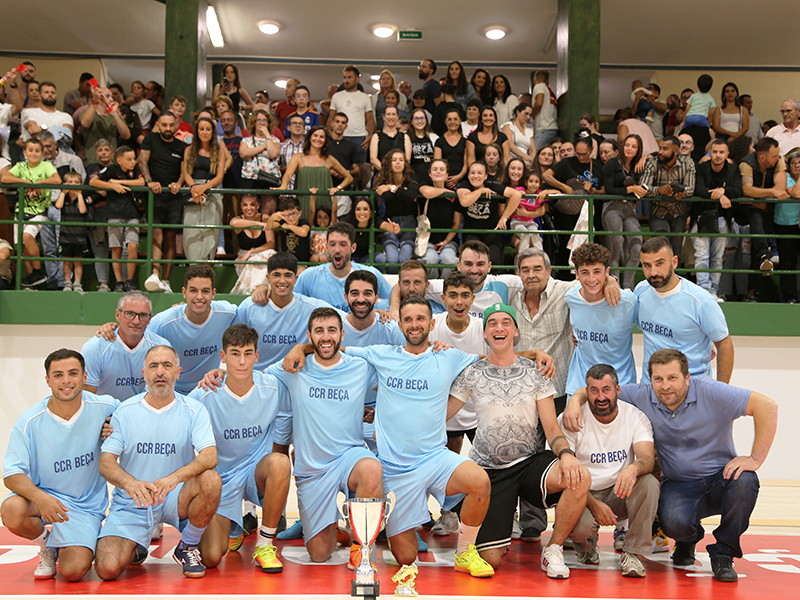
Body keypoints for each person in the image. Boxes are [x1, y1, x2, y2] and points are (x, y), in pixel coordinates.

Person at [284, 296, 496, 581]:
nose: (415, 324)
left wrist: (535, 355)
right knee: (405, 557)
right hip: (395, 470)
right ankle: (338, 528)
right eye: (408, 319)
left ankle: (464, 552)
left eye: (421, 319)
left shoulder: (450, 356)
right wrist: (301, 346)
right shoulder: (381, 355)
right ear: (400, 324)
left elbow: (493, 360)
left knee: (480, 481)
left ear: (432, 324)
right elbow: (331, 348)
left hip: (435, 458)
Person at [563, 348, 778, 583]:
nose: (665, 386)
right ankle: (688, 539)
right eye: (658, 379)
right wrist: (574, 399)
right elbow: (601, 391)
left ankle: (724, 554)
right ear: (650, 380)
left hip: (720, 477)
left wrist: (755, 458)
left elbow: (767, 406)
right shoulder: (643, 395)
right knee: (674, 524)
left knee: (745, 481)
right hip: (679, 483)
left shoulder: (711, 391)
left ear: (687, 377)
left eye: (672, 378)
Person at [448, 303, 590, 577]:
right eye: (492, 324)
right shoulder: (471, 373)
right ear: (486, 333)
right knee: (491, 560)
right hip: (489, 472)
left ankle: (554, 549)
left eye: (505, 323)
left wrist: (566, 455)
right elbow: (440, 416)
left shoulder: (536, 372)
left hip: (529, 463)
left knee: (579, 476)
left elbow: (551, 428)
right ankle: (491, 537)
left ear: (515, 330)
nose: (499, 328)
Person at [95, 345, 221, 580]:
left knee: (213, 555)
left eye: (167, 365)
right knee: (107, 569)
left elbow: (209, 456)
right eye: (153, 366)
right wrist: (131, 484)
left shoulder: (194, 410)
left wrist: (174, 479)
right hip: (135, 500)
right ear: (144, 373)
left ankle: (187, 546)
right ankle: (138, 542)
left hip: (175, 495)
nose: (160, 372)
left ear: (178, 372)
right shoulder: (125, 411)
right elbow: (106, 462)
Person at [269, 308, 383, 566]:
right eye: (319, 331)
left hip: (349, 456)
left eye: (332, 330)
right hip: (313, 467)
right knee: (319, 554)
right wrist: (216, 375)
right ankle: (332, 528)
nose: (326, 337)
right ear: (309, 336)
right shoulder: (294, 366)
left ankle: (360, 547)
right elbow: (250, 379)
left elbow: (394, 384)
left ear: (342, 334)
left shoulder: (360, 367)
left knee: (372, 470)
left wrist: (379, 412)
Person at [1, 349, 119, 582]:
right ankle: (48, 546)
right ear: (48, 381)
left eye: (73, 373)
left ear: (85, 377)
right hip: (44, 498)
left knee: (74, 572)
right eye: (58, 375)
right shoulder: (30, 421)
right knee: (12, 510)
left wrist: (116, 428)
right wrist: (41, 498)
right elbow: (11, 474)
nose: (66, 381)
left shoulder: (106, 407)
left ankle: (83, 538)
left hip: (84, 506)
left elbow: (138, 413)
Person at [188, 324, 290, 572]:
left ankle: (265, 544)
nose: (241, 361)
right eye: (234, 353)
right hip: (222, 480)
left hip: (256, 473)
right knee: (211, 557)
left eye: (247, 353)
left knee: (280, 462)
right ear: (223, 357)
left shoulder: (274, 387)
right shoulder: (203, 394)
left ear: (256, 355)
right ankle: (234, 525)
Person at [560, 364, 659, 577]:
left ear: (617, 390)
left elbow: (647, 458)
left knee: (649, 482)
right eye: (594, 390)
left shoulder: (635, 416)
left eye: (606, 389)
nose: (600, 397)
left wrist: (633, 468)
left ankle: (633, 553)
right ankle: (585, 548)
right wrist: (595, 505)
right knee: (580, 529)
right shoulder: (570, 419)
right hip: (583, 494)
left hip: (619, 492)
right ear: (586, 392)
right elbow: (563, 475)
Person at [635, 236, 733, 383]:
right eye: (647, 265)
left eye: (660, 263)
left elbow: (724, 344)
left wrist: (720, 392)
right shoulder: (641, 291)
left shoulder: (701, 300)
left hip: (692, 390)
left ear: (674, 262)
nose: (653, 272)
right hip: (650, 390)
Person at [234, 252, 339, 370]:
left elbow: (348, 321)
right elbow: (235, 346)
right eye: (276, 275)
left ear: (296, 279)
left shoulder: (312, 308)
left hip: (295, 376)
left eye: (288, 275)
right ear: (268, 278)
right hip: (258, 377)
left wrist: (303, 348)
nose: (282, 281)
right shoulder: (249, 308)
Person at [565, 243, 637, 398]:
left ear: (607, 272)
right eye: (585, 272)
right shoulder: (571, 297)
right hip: (580, 385)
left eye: (597, 271)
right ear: (576, 274)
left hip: (620, 384)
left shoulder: (628, 302)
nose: (591, 279)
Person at [81, 291, 172, 399]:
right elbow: (88, 398)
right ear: (118, 315)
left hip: (143, 412)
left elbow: (163, 393)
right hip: (107, 413)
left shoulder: (162, 347)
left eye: (143, 315)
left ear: (150, 319)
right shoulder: (95, 348)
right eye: (129, 314)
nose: (136, 321)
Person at [286, 221, 391, 311]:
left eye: (343, 244)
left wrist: (389, 309)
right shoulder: (310, 276)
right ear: (326, 246)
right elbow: (287, 299)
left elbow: (395, 294)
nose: (337, 250)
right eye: (332, 244)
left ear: (353, 248)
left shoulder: (370, 274)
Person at [0, 138, 60, 288]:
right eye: (30, 150)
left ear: (42, 153)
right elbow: (5, 178)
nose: (34, 153)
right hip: (21, 212)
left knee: (27, 236)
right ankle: (33, 280)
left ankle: (39, 271)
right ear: (24, 152)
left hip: (39, 211)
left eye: (37, 151)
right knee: (21, 246)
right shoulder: (21, 166)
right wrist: (26, 184)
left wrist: (38, 184)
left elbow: (57, 179)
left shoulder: (46, 166)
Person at [140, 111, 186, 294]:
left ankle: (165, 281)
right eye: (164, 125)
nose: (168, 129)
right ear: (158, 124)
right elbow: (142, 160)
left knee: (170, 239)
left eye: (171, 125)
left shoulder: (182, 146)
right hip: (154, 196)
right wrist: (149, 181)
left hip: (174, 198)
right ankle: (155, 276)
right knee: (156, 236)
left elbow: (184, 171)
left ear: (176, 125)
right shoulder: (150, 138)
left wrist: (179, 184)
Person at [737, 137, 788, 301]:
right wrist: (770, 193)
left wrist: (759, 196)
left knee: (758, 232)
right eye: (774, 156)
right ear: (762, 157)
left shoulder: (778, 162)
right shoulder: (746, 164)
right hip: (746, 212)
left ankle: (762, 259)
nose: (777, 158)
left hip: (769, 212)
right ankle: (763, 258)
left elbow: (781, 188)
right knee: (755, 215)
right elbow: (746, 190)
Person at [692, 138, 742, 300]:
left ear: (727, 154)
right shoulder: (701, 168)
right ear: (710, 153)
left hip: (722, 218)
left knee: (718, 257)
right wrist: (720, 196)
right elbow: (698, 190)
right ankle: (703, 291)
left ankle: (713, 291)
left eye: (721, 152)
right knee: (702, 255)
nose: (718, 155)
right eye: (715, 152)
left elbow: (738, 190)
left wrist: (722, 191)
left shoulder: (733, 169)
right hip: (701, 217)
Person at [90, 146, 144, 291]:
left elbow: (142, 182)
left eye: (134, 158)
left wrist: (121, 183)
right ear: (119, 160)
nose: (133, 162)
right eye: (129, 159)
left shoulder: (135, 170)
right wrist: (111, 186)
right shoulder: (111, 170)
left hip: (132, 213)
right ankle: (119, 282)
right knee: (116, 248)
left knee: (132, 245)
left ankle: (130, 281)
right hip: (114, 214)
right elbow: (93, 182)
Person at [640, 136, 696, 260]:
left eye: (665, 149)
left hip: (679, 212)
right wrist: (658, 190)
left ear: (676, 150)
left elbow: (690, 188)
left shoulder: (688, 163)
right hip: (658, 212)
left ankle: (675, 278)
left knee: (676, 252)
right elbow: (643, 188)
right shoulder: (652, 163)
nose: (660, 152)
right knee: (661, 247)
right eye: (660, 148)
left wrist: (683, 193)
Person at [281, 124, 352, 223]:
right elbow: (288, 174)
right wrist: (283, 185)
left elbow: (349, 177)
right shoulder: (298, 157)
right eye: (315, 135)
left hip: (324, 202)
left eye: (322, 137)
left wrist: (338, 188)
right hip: (303, 201)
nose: (318, 139)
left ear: (325, 141)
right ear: (309, 138)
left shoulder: (329, 159)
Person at [602, 133, 646, 289]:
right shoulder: (613, 163)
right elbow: (609, 189)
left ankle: (628, 287)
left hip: (629, 208)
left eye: (634, 146)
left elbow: (657, 156)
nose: (629, 149)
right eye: (627, 145)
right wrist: (631, 188)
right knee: (616, 247)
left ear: (638, 150)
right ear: (622, 147)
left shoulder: (638, 166)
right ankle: (615, 285)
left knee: (636, 246)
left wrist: (645, 157)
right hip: (612, 206)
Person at [457, 161, 522, 267]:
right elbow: (464, 201)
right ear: (468, 175)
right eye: (472, 173)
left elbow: (516, 195)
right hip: (471, 231)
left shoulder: (492, 185)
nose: (476, 176)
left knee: (494, 261)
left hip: (492, 230)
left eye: (479, 173)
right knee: (472, 260)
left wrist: (504, 217)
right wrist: (481, 191)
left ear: (486, 176)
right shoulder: (464, 185)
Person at [182, 116, 226, 261]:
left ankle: (207, 272)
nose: (205, 132)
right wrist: (194, 188)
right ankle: (193, 270)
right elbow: (186, 173)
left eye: (208, 129)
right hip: (193, 193)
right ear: (197, 131)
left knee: (210, 234)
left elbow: (219, 177)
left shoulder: (219, 152)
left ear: (213, 132)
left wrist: (203, 188)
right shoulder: (189, 150)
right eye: (202, 129)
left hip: (212, 193)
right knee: (191, 233)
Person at [374, 149, 419, 273]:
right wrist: (401, 191)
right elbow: (389, 197)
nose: (398, 163)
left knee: (404, 260)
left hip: (409, 221)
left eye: (401, 160)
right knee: (392, 260)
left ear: (405, 163)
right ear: (389, 163)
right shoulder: (382, 181)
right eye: (394, 160)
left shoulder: (411, 178)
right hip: (389, 222)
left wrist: (391, 188)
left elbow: (410, 195)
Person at [418, 158, 462, 278]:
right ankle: (432, 289)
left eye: (442, 170)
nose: (438, 172)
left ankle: (445, 288)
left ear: (447, 174)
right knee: (431, 260)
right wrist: (443, 191)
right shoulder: (423, 187)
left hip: (449, 240)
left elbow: (456, 224)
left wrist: (446, 242)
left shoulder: (454, 195)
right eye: (435, 169)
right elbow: (427, 192)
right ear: (430, 174)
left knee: (448, 260)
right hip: (426, 240)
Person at [229, 194, 277, 294]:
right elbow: (233, 223)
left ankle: (256, 291)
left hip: (262, 254)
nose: (249, 208)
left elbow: (271, 243)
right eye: (245, 205)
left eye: (252, 204)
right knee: (249, 263)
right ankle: (251, 292)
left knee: (271, 254)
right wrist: (258, 224)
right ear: (241, 207)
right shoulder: (238, 219)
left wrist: (252, 251)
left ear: (258, 206)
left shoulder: (264, 218)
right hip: (244, 256)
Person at [327, 65, 375, 164]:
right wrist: (328, 133)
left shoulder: (365, 97)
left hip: (360, 138)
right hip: (340, 136)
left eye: (350, 77)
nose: (346, 80)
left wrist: (370, 135)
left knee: (359, 171)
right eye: (345, 77)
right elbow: (331, 117)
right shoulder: (336, 96)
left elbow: (370, 119)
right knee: (338, 166)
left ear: (357, 79)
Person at [239, 109, 281, 215]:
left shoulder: (274, 140)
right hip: (250, 179)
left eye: (265, 120)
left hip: (269, 179)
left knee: (268, 212)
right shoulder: (246, 140)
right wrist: (263, 146)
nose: (262, 123)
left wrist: (267, 137)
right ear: (254, 122)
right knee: (250, 212)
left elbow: (273, 154)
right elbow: (243, 153)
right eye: (259, 120)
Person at [54, 171, 88, 292]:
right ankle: (67, 282)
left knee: (78, 261)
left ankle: (77, 283)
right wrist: (63, 192)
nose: (73, 184)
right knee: (67, 260)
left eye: (76, 182)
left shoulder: (82, 198)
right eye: (70, 182)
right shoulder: (64, 198)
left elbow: (83, 210)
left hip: (79, 235)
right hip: (66, 235)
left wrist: (79, 195)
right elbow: (58, 205)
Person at [80, 84, 131, 165]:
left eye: (112, 97)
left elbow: (126, 135)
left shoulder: (115, 116)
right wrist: (95, 101)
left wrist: (114, 114)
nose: (111, 99)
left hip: (112, 162)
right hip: (92, 161)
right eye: (107, 96)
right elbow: (85, 123)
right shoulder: (88, 112)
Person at [774, 147, 800, 303]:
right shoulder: (785, 178)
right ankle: (789, 297)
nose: (796, 166)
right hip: (786, 224)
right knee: (788, 263)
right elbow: (796, 193)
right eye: (793, 163)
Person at [267, 196, 311, 264]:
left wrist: (289, 226)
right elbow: (270, 226)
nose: (291, 217)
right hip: (286, 261)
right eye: (287, 214)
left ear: (300, 213)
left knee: (300, 271)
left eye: (294, 213)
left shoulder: (303, 222)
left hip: (302, 262)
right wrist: (273, 217)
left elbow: (303, 232)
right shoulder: (282, 222)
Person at [682, 75, 716, 162]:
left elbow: (687, 109)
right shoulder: (710, 98)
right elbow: (710, 114)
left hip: (689, 117)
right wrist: (708, 126)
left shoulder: (693, 96)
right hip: (701, 119)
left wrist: (683, 122)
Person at [370, 105, 411, 175]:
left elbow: (407, 159)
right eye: (388, 114)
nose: (391, 117)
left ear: (397, 117)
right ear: (384, 117)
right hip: (382, 174)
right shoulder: (376, 137)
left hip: (400, 175)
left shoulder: (405, 137)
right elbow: (373, 158)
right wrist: (386, 172)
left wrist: (397, 172)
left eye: (393, 114)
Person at [434, 108, 467, 189]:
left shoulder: (465, 141)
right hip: (443, 179)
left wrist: (458, 177)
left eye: (455, 119)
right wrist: (446, 179)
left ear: (460, 121)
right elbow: (437, 163)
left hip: (462, 179)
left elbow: (467, 164)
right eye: (449, 119)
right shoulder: (439, 141)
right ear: (445, 122)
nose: (452, 122)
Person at [407, 108, 438, 185]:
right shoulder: (406, 137)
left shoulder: (434, 137)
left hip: (430, 177)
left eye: (422, 118)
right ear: (411, 121)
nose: (419, 121)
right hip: (412, 177)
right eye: (416, 118)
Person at [531, 70, 559, 151]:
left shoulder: (539, 86)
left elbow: (539, 102)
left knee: (534, 155)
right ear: (547, 80)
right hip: (552, 127)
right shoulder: (550, 93)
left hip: (544, 128)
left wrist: (532, 113)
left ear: (534, 80)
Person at [502, 103, 536, 167]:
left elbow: (532, 150)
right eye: (526, 114)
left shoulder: (529, 131)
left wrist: (532, 160)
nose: (528, 117)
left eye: (530, 115)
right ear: (518, 112)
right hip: (512, 161)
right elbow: (508, 143)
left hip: (526, 163)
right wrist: (525, 156)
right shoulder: (509, 126)